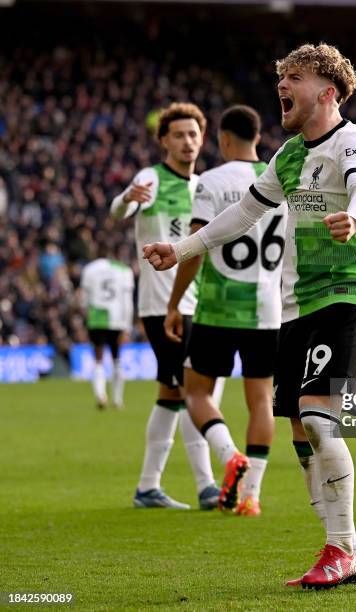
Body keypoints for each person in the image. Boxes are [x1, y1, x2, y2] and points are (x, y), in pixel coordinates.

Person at [143, 44, 356, 588]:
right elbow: (246, 212)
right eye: (281, 76)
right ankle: (343, 548)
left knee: (318, 415)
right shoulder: (289, 155)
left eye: (294, 77)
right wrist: (182, 250)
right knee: (301, 429)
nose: (282, 85)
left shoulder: (354, 142)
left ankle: (341, 550)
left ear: (327, 91)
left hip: (345, 293)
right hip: (295, 305)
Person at [165, 105, 286, 516]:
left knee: (194, 391)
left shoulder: (211, 182)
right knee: (261, 401)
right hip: (268, 309)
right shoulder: (280, 180)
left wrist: (176, 301)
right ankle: (251, 495)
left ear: (224, 138)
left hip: (218, 308)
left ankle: (229, 454)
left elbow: (197, 246)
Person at [110, 103, 220, 511]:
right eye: (178, 135)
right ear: (163, 141)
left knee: (172, 393)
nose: (187, 142)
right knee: (194, 391)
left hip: (199, 302)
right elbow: (119, 211)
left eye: (193, 134)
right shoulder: (150, 179)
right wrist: (126, 198)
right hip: (161, 305)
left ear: (202, 139)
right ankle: (208, 485)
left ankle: (147, 487)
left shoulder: (204, 187)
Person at [80, 248, 134, 410]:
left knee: (98, 359)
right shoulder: (124, 270)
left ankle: (100, 395)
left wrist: (86, 319)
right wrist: (127, 326)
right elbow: (127, 301)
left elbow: (84, 300)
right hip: (118, 319)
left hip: (97, 318)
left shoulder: (89, 269)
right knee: (117, 359)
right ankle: (117, 400)